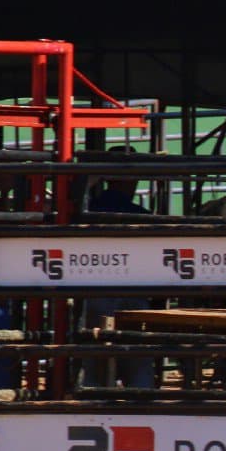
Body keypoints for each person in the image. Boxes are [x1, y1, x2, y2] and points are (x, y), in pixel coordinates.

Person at [78, 163, 157, 391]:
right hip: (133, 292)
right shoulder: (141, 216)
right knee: (138, 357)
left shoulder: (90, 209)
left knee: (93, 356)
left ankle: (91, 398)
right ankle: (141, 399)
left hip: (96, 290)